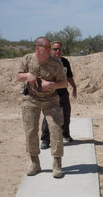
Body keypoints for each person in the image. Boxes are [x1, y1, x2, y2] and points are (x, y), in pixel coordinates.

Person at [17, 37, 67, 178]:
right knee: (30, 131)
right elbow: (18, 76)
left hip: (51, 100)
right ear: (37, 47)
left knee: (56, 129)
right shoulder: (27, 59)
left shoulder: (56, 63)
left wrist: (50, 85)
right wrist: (28, 75)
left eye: (50, 46)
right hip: (31, 99)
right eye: (47, 46)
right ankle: (34, 162)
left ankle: (57, 164)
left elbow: (64, 83)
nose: (50, 49)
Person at [40, 41, 77, 149]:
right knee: (49, 116)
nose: (57, 51)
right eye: (55, 49)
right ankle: (45, 139)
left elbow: (69, 76)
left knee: (66, 114)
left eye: (59, 49)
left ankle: (65, 134)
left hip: (63, 92)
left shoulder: (65, 61)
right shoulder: (46, 62)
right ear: (51, 50)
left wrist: (74, 87)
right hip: (50, 94)